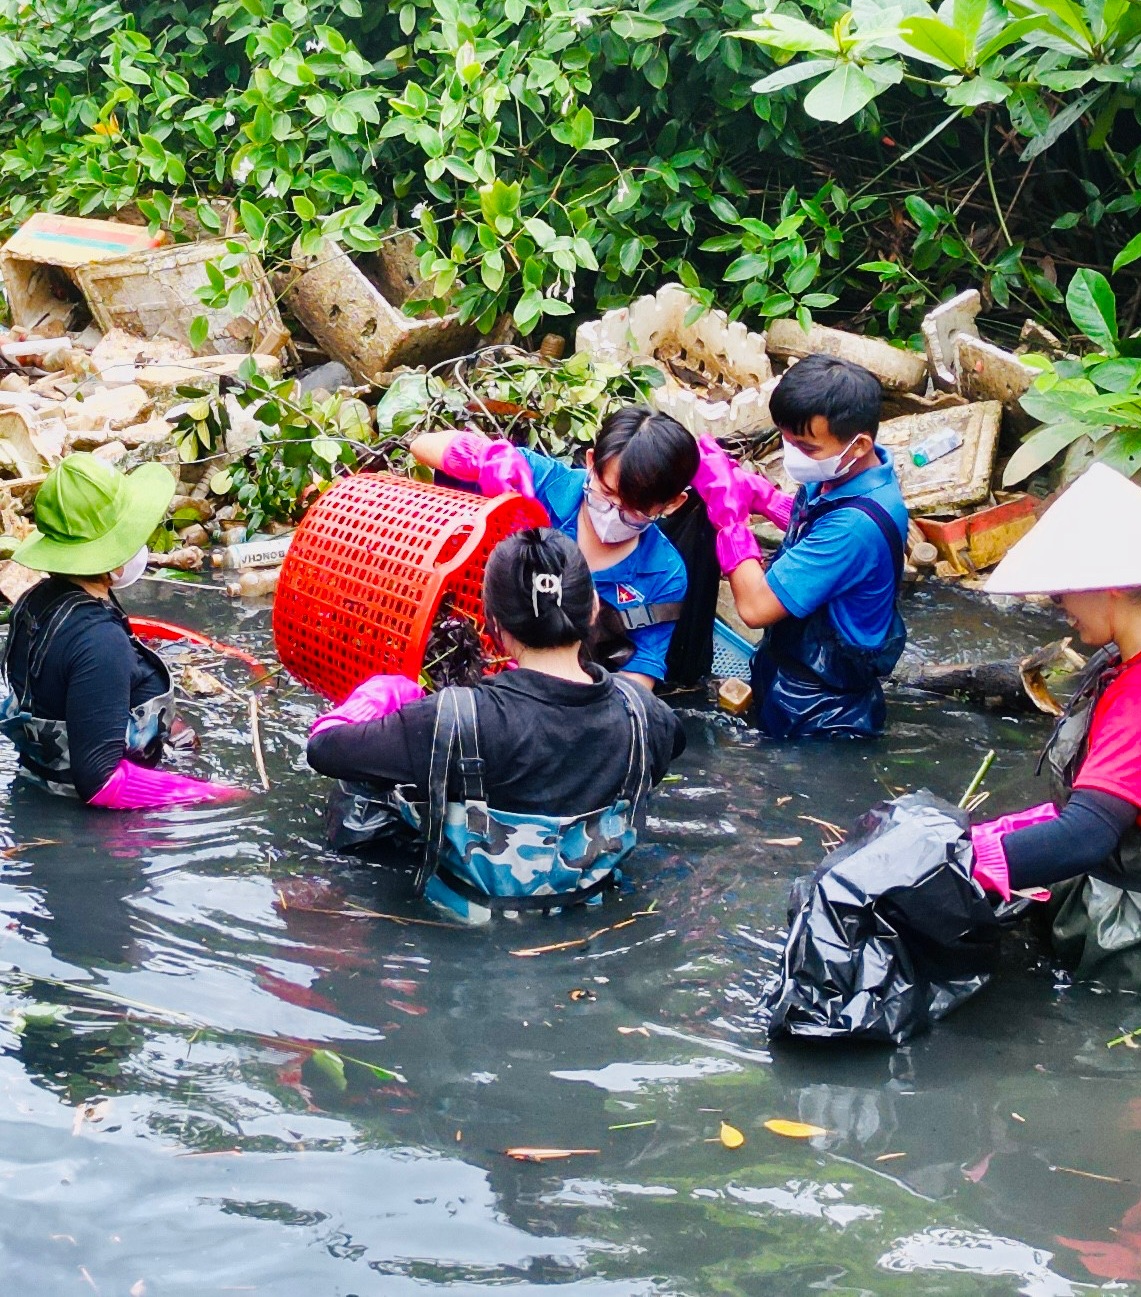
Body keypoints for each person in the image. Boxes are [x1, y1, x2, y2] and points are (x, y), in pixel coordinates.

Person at [961, 465, 1141, 993]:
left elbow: (1085, 835)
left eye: (1064, 592)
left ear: (1112, 585)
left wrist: (959, 862)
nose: (1059, 607)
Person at [303, 524, 687, 922]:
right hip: (590, 919)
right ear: (593, 608)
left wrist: (383, 694)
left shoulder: (451, 720)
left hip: (461, 929)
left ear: (491, 622)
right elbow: (671, 741)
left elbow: (324, 749)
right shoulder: (646, 716)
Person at [0, 456, 249, 809]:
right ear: (111, 560)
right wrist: (212, 795)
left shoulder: (34, 602)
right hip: (101, 831)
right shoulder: (100, 641)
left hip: (37, 786)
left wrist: (175, 729)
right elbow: (99, 781)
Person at [406, 408, 708, 685]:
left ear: (672, 505)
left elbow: (642, 670)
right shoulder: (540, 482)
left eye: (634, 509)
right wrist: (483, 457)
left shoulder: (664, 573)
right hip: (467, 647)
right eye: (607, 493)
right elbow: (423, 446)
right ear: (591, 462)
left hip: (563, 688)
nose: (613, 512)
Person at [717, 353, 910, 741]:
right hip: (793, 670)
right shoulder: (840, 476)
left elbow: (755, 608)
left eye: (805, 447)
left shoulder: (854, 527)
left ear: (858, 445)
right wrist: (769, 501)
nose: (792, 455)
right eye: (786, 440)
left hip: (822, 710)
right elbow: (816, 528)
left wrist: (730, 521)